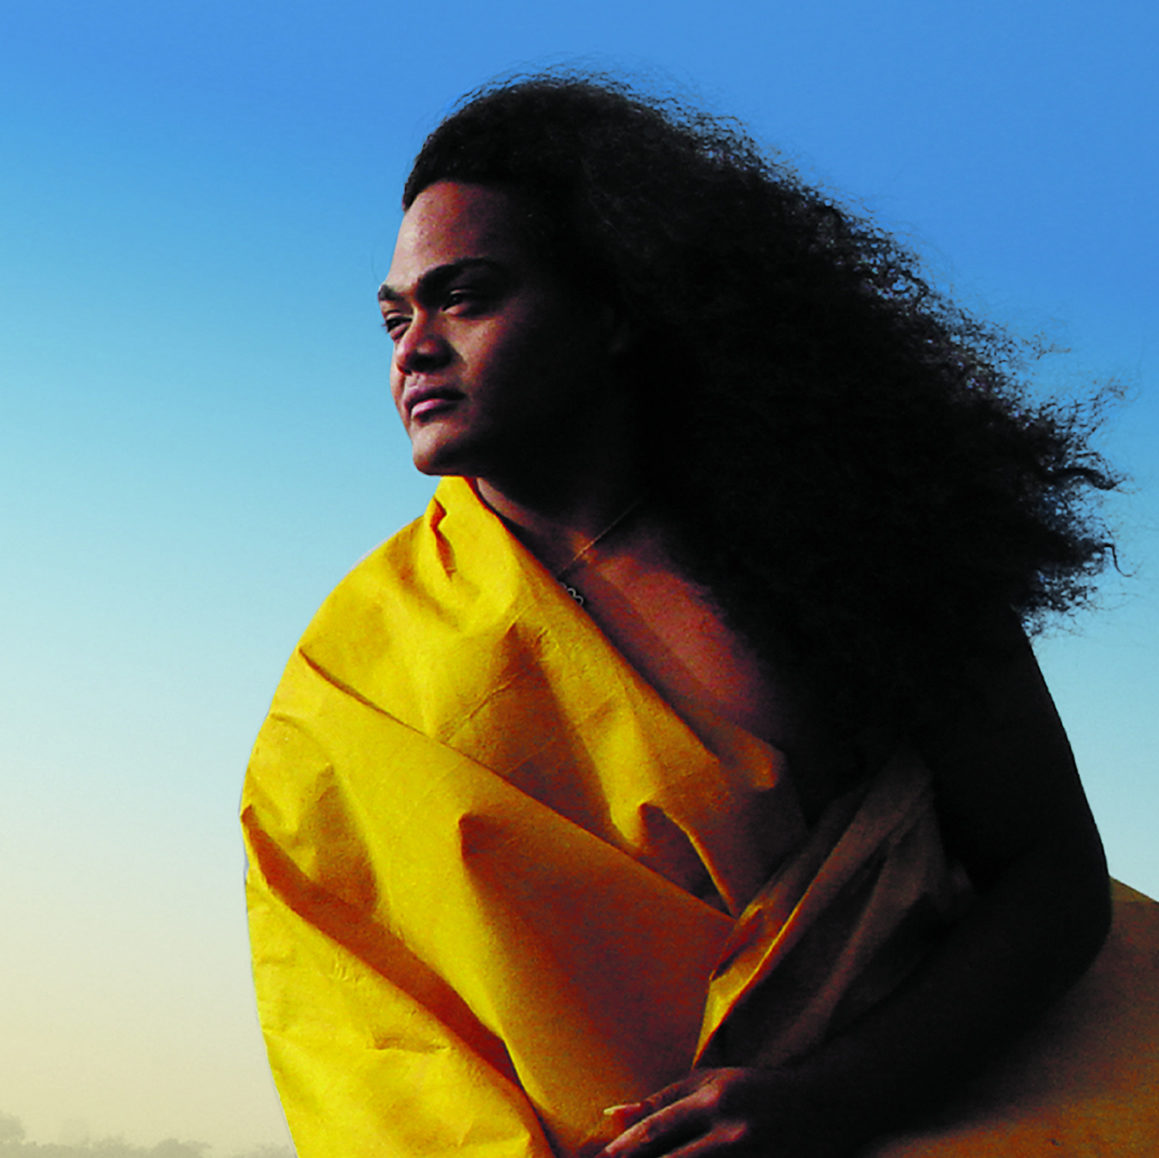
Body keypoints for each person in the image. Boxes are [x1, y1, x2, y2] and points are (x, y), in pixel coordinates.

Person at [242, 72, 1123, 1157]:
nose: (412, 346)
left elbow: (1051, 873)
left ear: (613, 306)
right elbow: (360, 1030)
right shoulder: (355, 672)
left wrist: (834, 1103)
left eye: (463, 297)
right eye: (394, 315)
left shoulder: (849, 546)